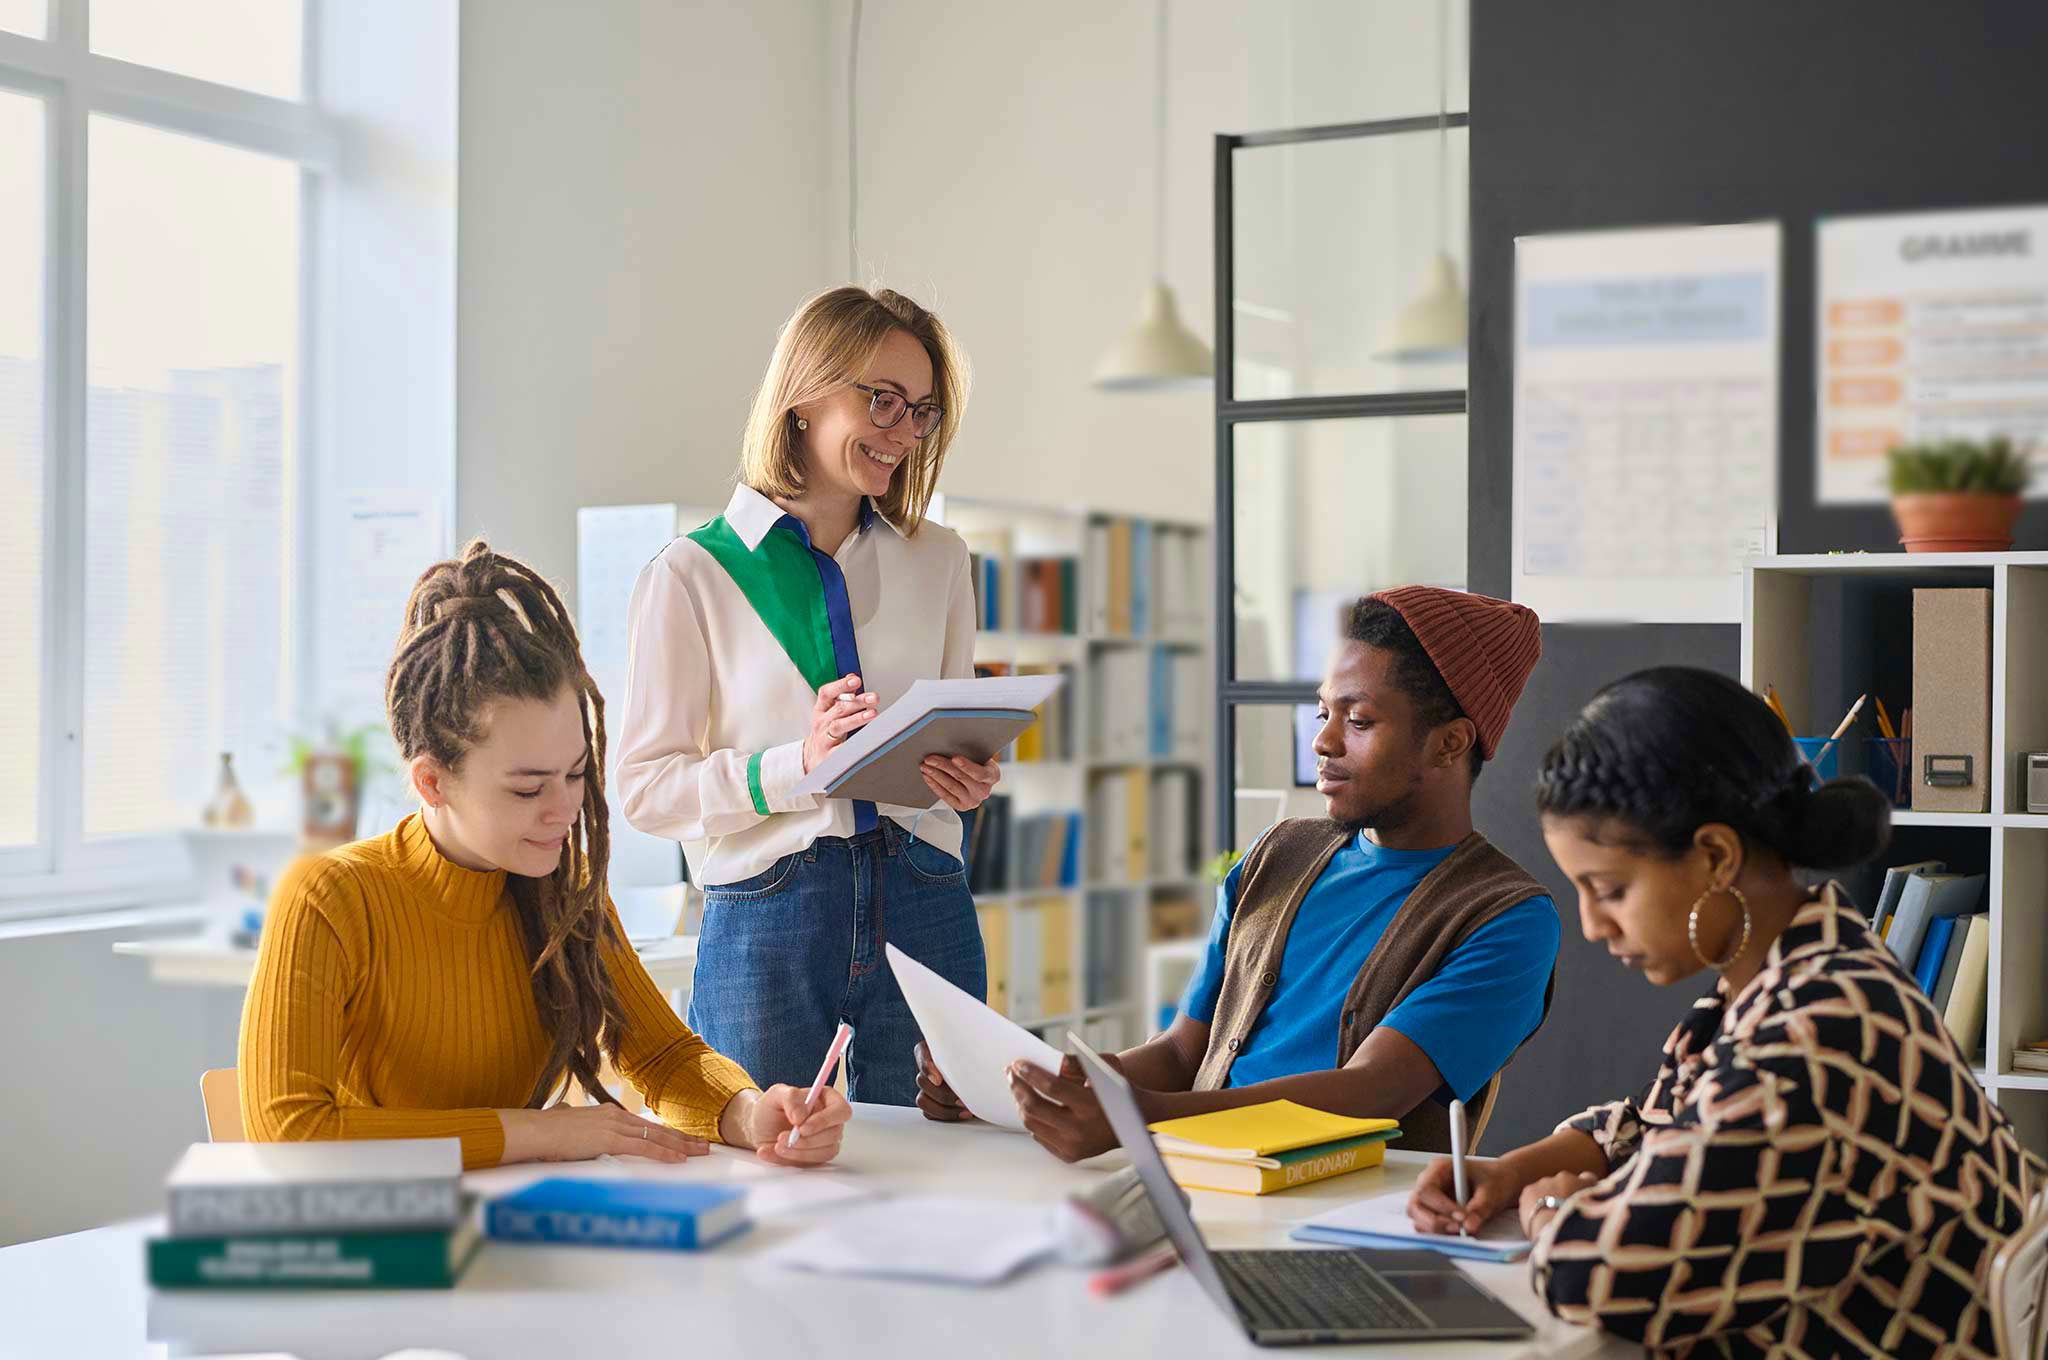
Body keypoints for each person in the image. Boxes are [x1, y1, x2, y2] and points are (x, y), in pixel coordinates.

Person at [1407, 666, 2044, 1356]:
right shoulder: (1800, 968)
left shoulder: (1813, 1038)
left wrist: (1551, 1207)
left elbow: (1603, 1276)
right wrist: (1519, 1169)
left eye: (1610, 890)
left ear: (1714, 855)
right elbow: (1659, 1122)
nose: (1593, 925)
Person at [239, 541, 850, 1170]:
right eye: (528, 788)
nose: (562, 810)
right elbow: (289, 1133)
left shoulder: (565, 890)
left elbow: (665, 1059)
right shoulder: (330, 898)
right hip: (374, 1243)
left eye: (576, 774)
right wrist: (540, 1133)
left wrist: (751, 1114)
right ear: (432, 782)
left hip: (507, 1227)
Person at [921, 587, 1560, 1159]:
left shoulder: (1506, 917)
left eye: (1359, 721)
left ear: (1450, 743)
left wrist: (1136, 1119)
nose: (1324, 742)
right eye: (1323, 713)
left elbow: (1369, 1094)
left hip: (1341, 1213)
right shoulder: (1279, 855)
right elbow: (1179, 1054)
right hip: (1194, 1178)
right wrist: (1028, 1085)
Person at [615, 285, 994, 1107]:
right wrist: (798, 765)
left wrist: (963, 784)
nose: (902, 432)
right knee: (767, 1176)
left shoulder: (941, 560)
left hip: (924, 896)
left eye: (921, 411)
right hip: (770, 912)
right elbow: (645, 788)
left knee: (950, 1163)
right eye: (882, 400)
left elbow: (952, 737)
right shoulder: (695, 573)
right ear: (803, 398)